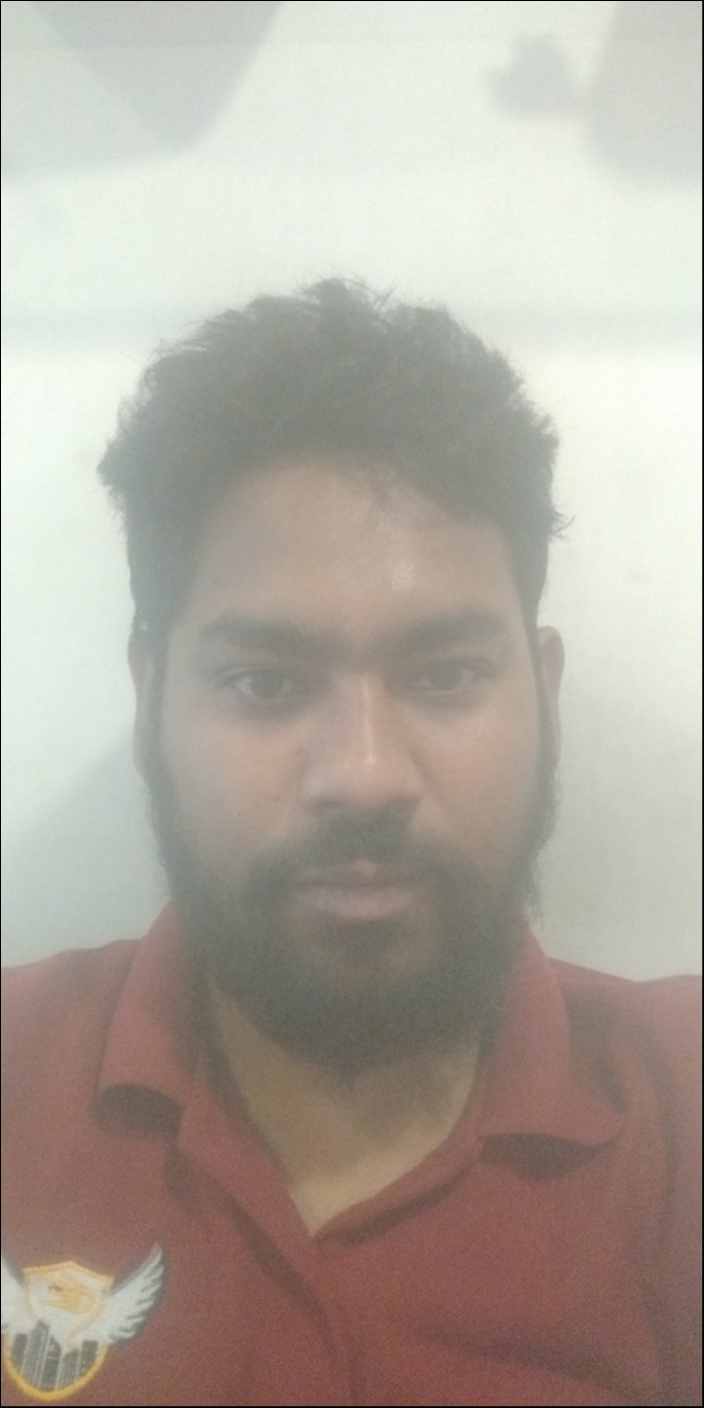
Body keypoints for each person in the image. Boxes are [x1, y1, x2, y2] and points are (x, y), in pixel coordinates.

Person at [1, 280, 700, 1408]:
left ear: (544, 695)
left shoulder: (682, 1104)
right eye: (264, 682)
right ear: (149, 702)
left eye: (445, 674)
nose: (364, 774)